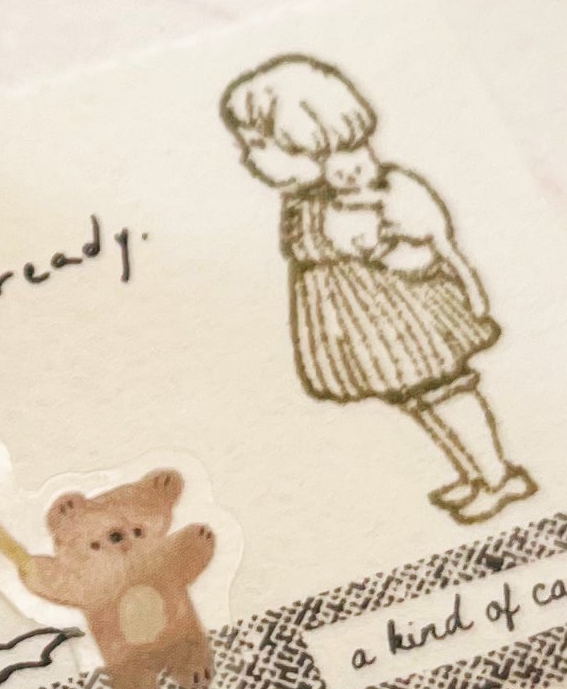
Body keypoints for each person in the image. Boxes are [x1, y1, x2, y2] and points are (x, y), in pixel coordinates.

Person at [217, 52, 533, 524]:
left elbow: (398, 246)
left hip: (398, 318)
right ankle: (475, 473)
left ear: (309, 144)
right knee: (416, 398)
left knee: (443, 391)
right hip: (370, 325)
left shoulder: (352, 199)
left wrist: (386, 248)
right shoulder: (308, 199)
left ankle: (497, 477)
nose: (248, 157)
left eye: (259, 144)